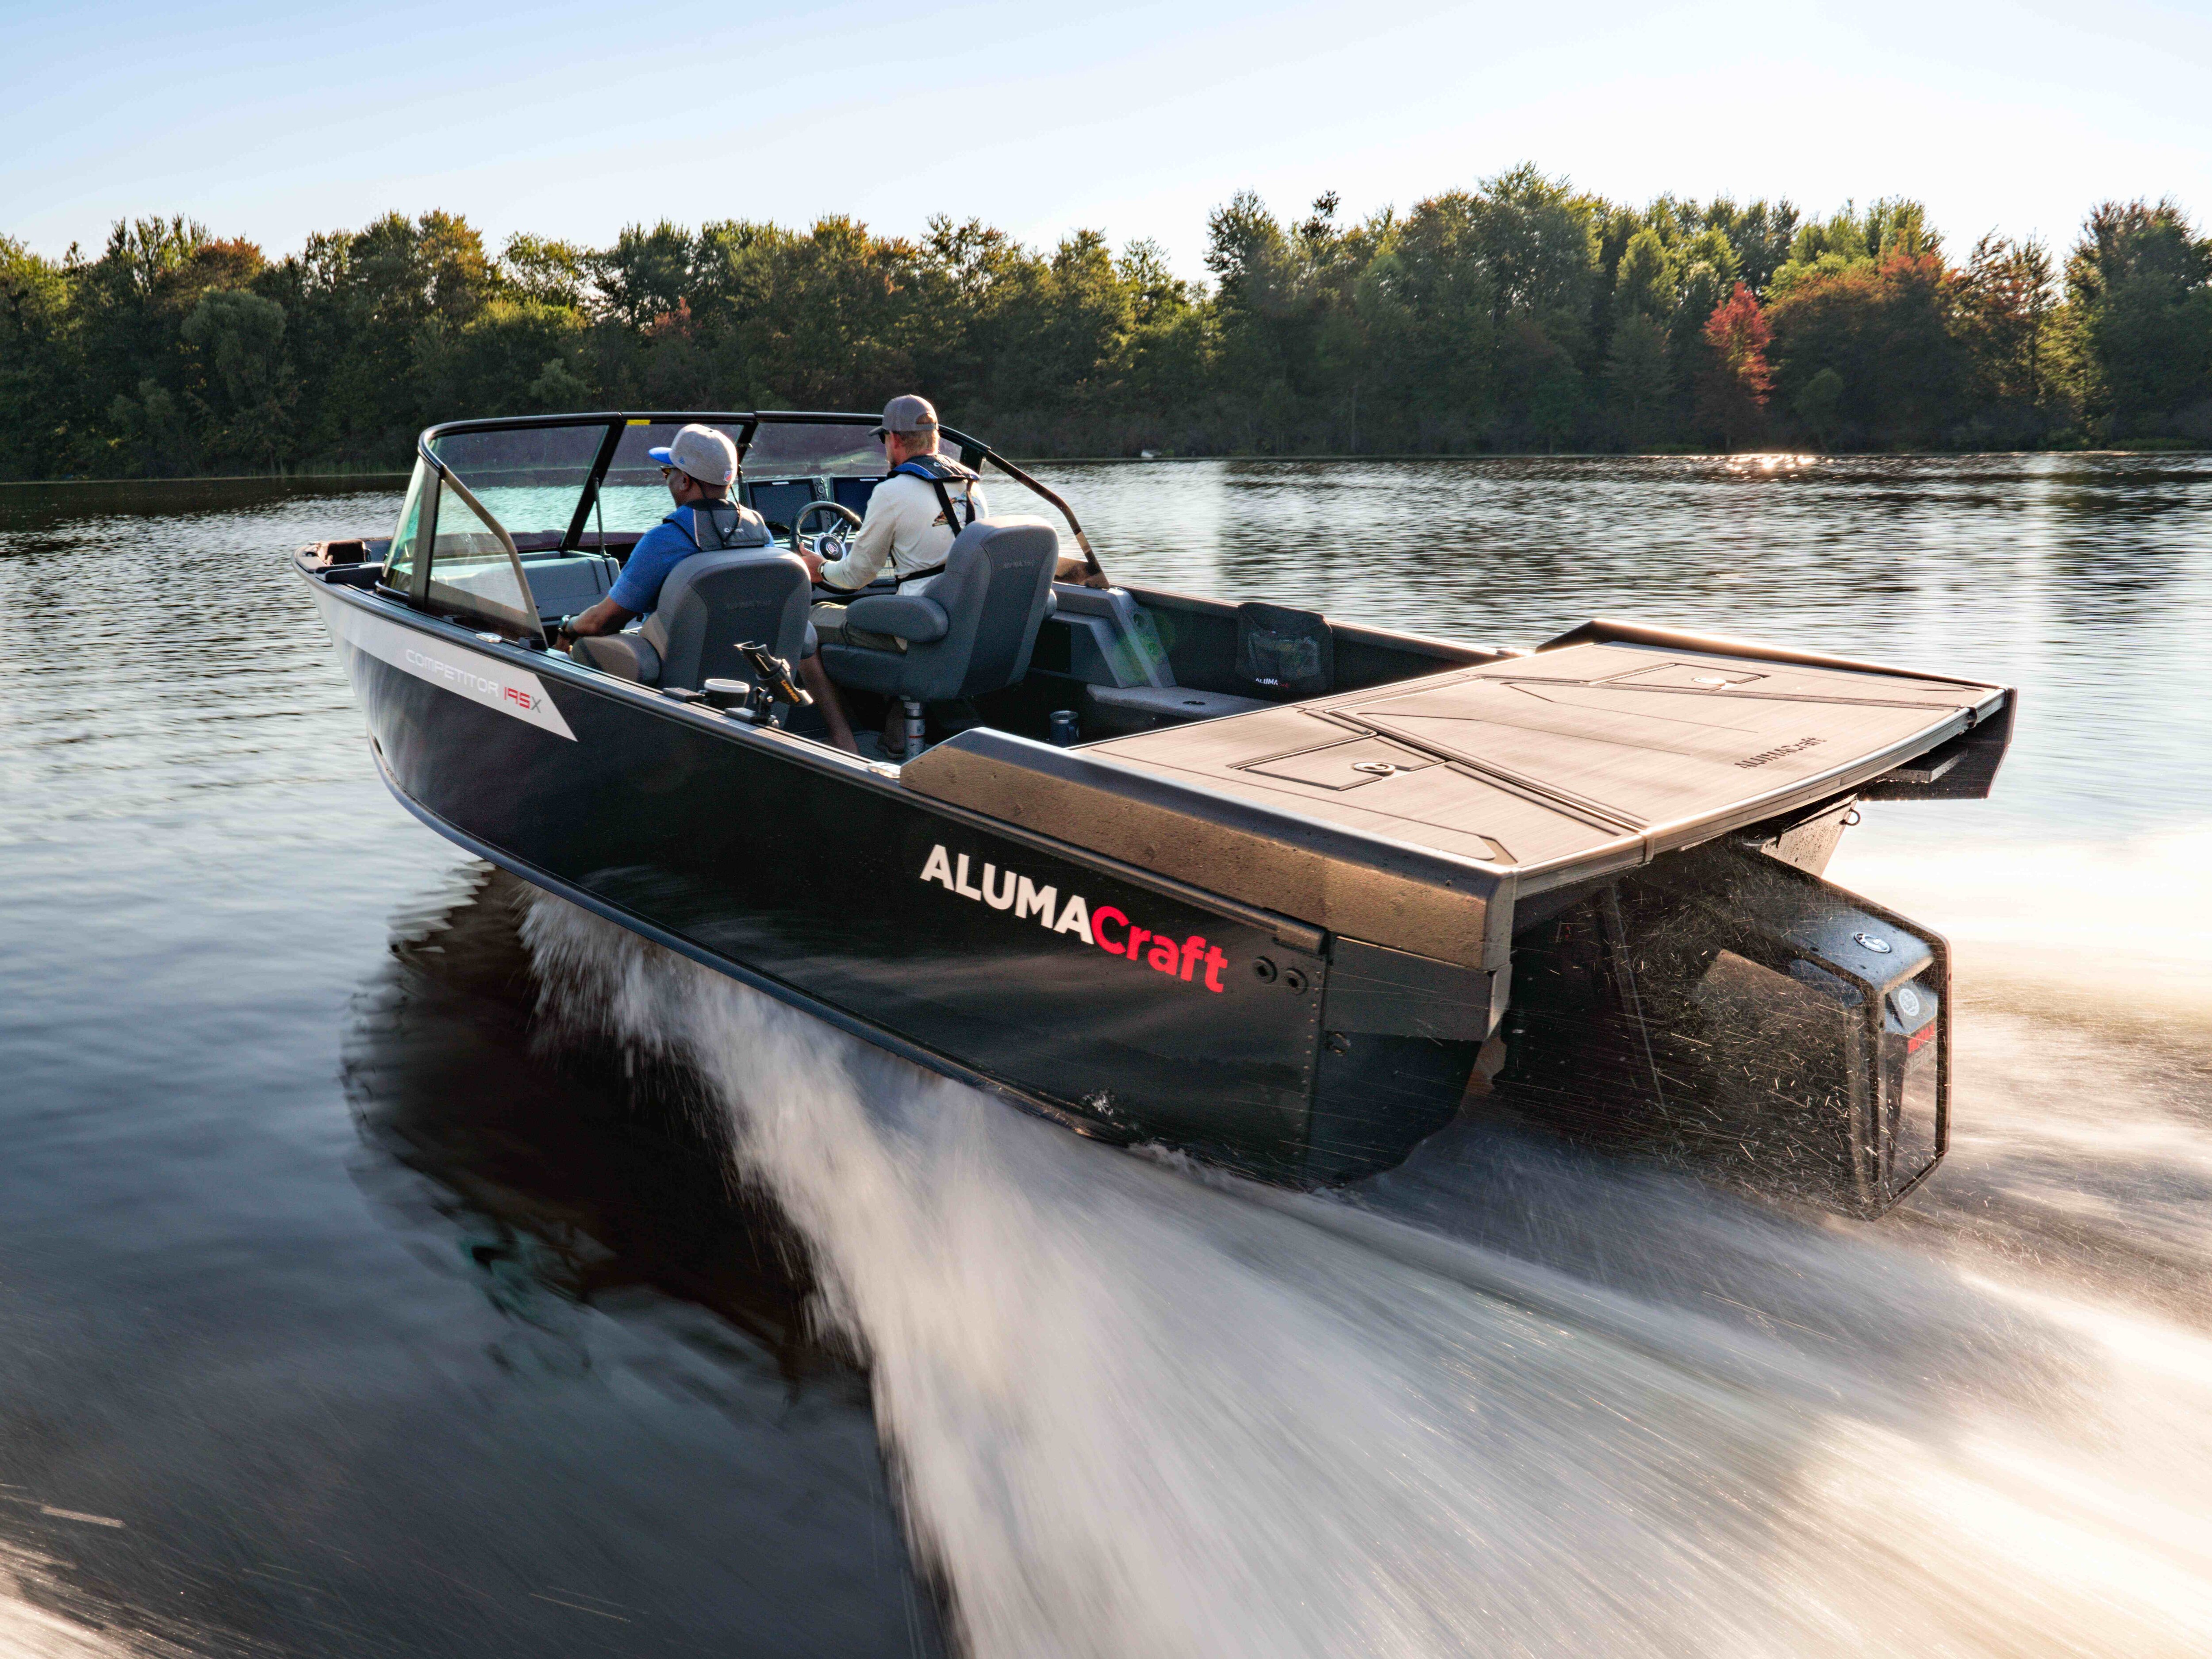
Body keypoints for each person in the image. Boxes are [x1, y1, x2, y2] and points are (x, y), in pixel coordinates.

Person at [555, 422, 859, 751]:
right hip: (752, 695)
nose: (665, 478)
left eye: (666, 471)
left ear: (685, 481)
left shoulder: (665, 541)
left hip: (678, 697)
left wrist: (568, 628)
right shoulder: (762, 536)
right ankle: (844, 740)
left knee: (585, 648)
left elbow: (604, 623)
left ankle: (581, 750)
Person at [800, 395, 988, 756]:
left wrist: (818, 569)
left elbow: (855, 576)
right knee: (897, 615)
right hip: (964, 622)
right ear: (933, 437)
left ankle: (843, 740)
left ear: (895, 440)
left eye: (885, 438)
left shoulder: (891, 492)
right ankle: (896, 733)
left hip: (919, 629)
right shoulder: (971, 487)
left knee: (803, 625)